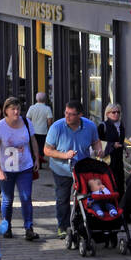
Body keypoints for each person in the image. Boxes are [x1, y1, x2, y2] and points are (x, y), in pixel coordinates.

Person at [44, 100, 104, 237]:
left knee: (83, 197)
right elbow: (47, 150)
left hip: (83, 169)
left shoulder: (90, 126)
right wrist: (65, 155)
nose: (67, 116)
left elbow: (96, 141)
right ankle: (63, 227)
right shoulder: (56, 127)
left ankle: (80, 224)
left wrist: (98, 150)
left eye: (71, 114)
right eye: (66, 113)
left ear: (80, 115)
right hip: (61, 168)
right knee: (63, 198)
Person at [0, 96, 40, 241]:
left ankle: (29, 228)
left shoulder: (26, 122)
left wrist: (37, 158)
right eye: (13, 109)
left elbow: (33, 140)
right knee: (7, 199)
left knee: (26, 197)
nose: (16, 112)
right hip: (6, 168)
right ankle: (7, 226)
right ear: (6, 110)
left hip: (25, 167)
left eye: (18, 108)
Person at [98, 103, 127, 196]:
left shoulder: (121, 125)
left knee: (120, 182)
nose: (116, 114)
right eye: (113, 112)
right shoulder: (103, 126)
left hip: (118, 159)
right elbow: (97, 142)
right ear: (107, 114)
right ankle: (110, 201)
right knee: (109, 182)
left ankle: (120, 202)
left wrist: (124, 147)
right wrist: (112, 145)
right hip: (107, 160)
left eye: (118, 112)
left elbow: (120, 140)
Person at [26, 92, 54, 167]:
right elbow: (49, 121)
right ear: (45, 99)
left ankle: (34, 161)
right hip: (43, 131)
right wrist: (49, 129)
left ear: (36, 99)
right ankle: (40, 162)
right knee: (41, 147)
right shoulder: (47, 108)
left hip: (33, 131)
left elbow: (28, 119)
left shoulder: (32, 108)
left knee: (33, 146)